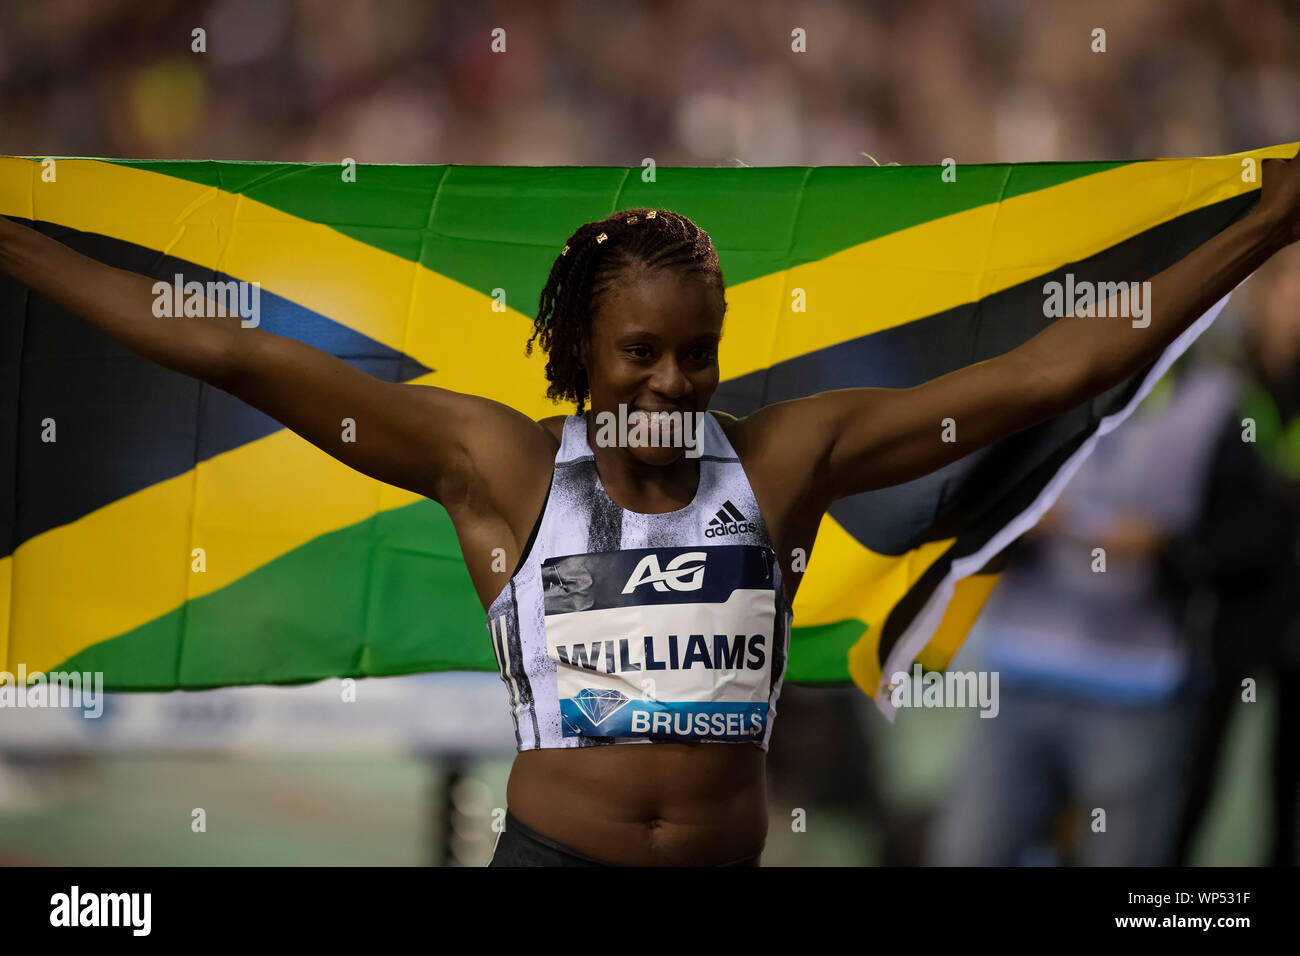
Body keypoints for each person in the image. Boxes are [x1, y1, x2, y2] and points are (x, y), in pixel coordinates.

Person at [2, 159, 1297, 866]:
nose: (673, 383)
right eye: (639, 355)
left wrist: (1267, 224)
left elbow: (1049, 372)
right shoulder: (494, 468)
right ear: (576, 351)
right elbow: (238, 355)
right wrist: (18, 241)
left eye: (697, 351)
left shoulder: (789, 458)